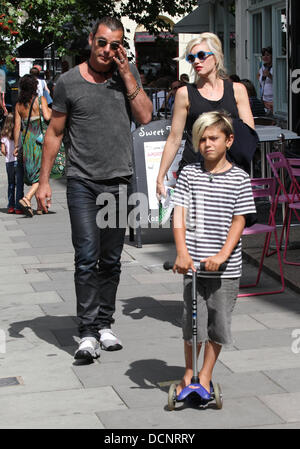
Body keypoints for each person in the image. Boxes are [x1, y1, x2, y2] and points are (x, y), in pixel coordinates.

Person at [35, 16, 153, 362]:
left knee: (111, 260)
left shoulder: (124, 80)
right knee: (87, 257)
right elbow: (55, 134)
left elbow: (145, 117)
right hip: (82, 183)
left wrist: (128, 72)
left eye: (114, 45)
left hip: (119, 181)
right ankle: (86, 332)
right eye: (102, 42)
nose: (106, 50)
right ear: (91, 40)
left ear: (121, 48)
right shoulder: (68, 82)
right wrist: (43, 182)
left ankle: (104, 323)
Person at [172, 110, 256, 399]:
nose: (207, 144)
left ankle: (205, 374)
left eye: (214, 138)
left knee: (218, 322)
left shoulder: (239, 178)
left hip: (225, 268)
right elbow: (179, 215)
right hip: (193, 266)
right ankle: (188, 371)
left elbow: (239, 220)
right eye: (202, 139)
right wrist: (182, 253)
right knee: (191, 322)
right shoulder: (189, 174)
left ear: (228, 140)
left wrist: (222, 255)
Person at [156, 32, 254, 200]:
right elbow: (174, 138)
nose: (196, 61)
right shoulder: (184, 93)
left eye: (201, 55)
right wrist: (160, 177)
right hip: (193, 170)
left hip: (229, 173)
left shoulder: (237, 90)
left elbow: (249, 134)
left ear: (216, 57)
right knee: (191, 225)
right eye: (191, 58)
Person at [14, 74, 52, 216]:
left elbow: (17, 127)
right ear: (35, 86)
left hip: (27, 140)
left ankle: (40, 207)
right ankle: (27, 198)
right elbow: (48, 117)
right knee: (41, 174)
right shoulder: (39, 100)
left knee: (34, 172)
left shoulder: (18, 105)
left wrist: (17, 146)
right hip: (39, 140)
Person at [1, 113, 24, 214]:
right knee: (19, 184)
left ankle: (10, 206)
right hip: (18, 162)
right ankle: (18, 207)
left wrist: (7, 152)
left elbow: (3, 151)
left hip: (9, 163)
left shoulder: (3, 136)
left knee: (11, 184)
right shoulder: (20, 133)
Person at [258, 47, 273, 113]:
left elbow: (280, 82)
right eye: (264, 55)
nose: (265, 57)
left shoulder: (275, 67)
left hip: (273, 99)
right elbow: (261, 81)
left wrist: (269, 75)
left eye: (268, 55)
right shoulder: (262, 68)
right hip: (265, 99)